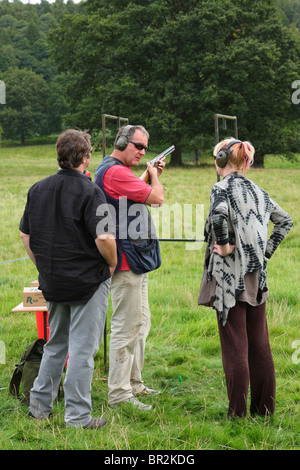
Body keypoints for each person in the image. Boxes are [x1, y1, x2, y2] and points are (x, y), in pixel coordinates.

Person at [19, 129, 117, 429]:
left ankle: (39, 408)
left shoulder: (38, 189)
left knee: (55, 344)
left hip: (54, 281)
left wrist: (44, 267)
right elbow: (104, 238)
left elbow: (26, 236)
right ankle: (77, 417)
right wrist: (112, 264)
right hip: (88, 282)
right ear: (86, 159)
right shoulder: (92, 192)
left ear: (59, 155)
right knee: (82, 352)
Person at [198, 138, 293, 418]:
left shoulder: (221, 188)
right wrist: (264, 253)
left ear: (221, 159)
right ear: (246, 162)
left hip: (229, 279)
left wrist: (226, 246)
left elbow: (218, 216)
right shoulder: (258, 191)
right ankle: (264, 410)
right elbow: (285, 220)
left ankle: (237, 414)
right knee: (260, 344)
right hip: (256, 277)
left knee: (235, 344)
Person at [94, 124, 165, 411]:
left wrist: (147, 174)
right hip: (126, 260)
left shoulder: (114, 171)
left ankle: (134, 384)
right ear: (122, 141)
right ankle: (120, 394)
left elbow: (133, 190)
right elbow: (156, 198)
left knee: (140, 324)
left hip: (133, 259)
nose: (143, 151)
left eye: (145, 147)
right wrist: (155, 176)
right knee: (126, 327)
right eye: (138, 145)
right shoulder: (115, 172)